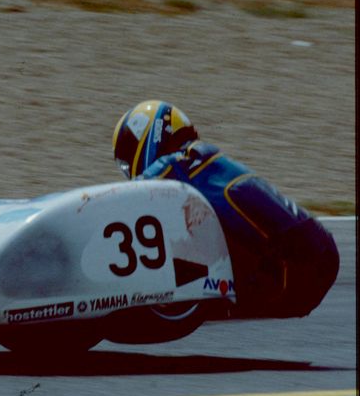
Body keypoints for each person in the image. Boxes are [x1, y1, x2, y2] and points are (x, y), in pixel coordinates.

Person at [111, 100, 339, 319]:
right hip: (298, 266)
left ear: (152, 134)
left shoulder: (185, 159)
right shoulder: (201, 165)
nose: (128, 166)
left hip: (300, 257)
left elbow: (131, 193)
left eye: (128, 154)